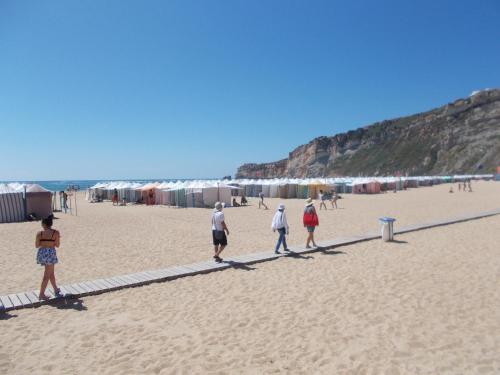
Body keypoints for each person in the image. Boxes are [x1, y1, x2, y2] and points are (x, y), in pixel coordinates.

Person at [36, 217, 62, 300]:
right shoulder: (56, 232)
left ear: (44, 224)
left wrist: (44, 243)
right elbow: (57, 245)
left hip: (42, 253)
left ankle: (55, 289)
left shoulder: (39, 233)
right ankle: (41, 294)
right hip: (50, 253)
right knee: (47, 275)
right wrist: (51, 243)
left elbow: (37, 245)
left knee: (50, 273)